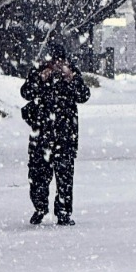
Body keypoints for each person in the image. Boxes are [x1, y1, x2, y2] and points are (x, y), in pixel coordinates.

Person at [21, 42, 92, 226]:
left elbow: (84, 95)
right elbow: (26, 92)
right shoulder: (39, 72)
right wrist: (39, 79)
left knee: (65, 177)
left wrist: (71, 79)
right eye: (54, 61)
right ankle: (40, 208)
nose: (57, 65)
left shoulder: (72, 74)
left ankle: (63, 212)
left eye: (61, 61)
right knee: (37, 175)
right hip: (41, 133)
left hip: (65, 134)